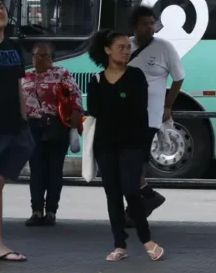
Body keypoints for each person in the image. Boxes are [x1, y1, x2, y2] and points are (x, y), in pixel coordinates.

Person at [87, 29, 164, 262]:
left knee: (131, 189)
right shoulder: (96, 80)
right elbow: (94, 109)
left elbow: (138, 109)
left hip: (132, 144)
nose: (126, 51)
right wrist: (118, 104)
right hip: (105, 145)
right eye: (120, 47)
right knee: (112, 194)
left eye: (128, 47)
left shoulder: (136, 76)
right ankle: (119, 245)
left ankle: (147, 239)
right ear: (107, 50)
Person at [126, 5, 185, 223]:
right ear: (134, 27)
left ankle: (138, 207)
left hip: (150, 116)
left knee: (135, 162)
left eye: (153, 23)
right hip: (124, 116)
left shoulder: (164, 47)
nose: (151, 28)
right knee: (129, 163)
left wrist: (168, 106)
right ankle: (146, 199)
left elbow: (178, 78)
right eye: (145, 24)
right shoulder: (125, 46)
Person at [0, 0, 33, 262]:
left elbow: (19, 85)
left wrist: (24, 119)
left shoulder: (13, 47)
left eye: (1, 5)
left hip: (12, 126)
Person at [23, 41, 83, 227]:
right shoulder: (26, 76)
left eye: (45, 55)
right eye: (37, 56)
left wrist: (75, 116)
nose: (41, 59)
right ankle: (36, 211)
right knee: (36, 170)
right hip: (33, 128)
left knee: (54, 170)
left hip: (56, 126)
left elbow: (75, 96)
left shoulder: (61, 74)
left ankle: (51, 212)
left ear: (52, 57)